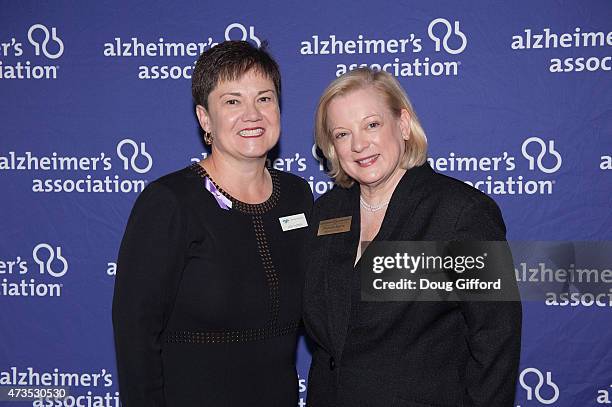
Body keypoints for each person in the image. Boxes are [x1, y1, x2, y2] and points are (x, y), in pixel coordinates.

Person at [303, 68, 521, 406]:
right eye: (343, 134)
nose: (359, 144)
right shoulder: (327, 213)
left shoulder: (460, 212)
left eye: (372, 125)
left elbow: (496, 338)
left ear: (403, 124)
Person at [112, 41, 313, 406]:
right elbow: (135, 334)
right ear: (205, 118)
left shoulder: (298, 196)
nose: (252, 114)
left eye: (264, 99)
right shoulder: (170, 202)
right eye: (232, 101)